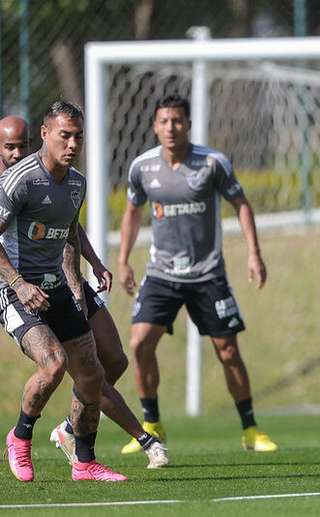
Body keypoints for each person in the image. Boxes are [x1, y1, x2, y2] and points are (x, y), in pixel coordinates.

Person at [0, 115, 169, 469]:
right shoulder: (16, 182)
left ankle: (82, 455)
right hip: (16, 285)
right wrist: (18, 283)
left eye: (79, 136)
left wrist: (86, 274)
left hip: (58, 279)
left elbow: (68, 230)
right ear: (47, 135)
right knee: (56, 364)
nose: (73, 144)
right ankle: (23, 435)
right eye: (8, 146)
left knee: (103, 365)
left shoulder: (75, 183)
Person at [118, 94, 276, 453]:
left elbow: (242, 205)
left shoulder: (212, 163)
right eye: (164, 121)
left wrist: (254, 254)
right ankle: (151, 424)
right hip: (161, 273)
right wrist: (124, 259)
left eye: (177, 121)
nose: (170, 128)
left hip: (207, 274)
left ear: (188, 124)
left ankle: (250, 429)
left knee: (228, 351)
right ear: (154, 126)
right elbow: (131, 212)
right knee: (140, 343)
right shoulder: (142, 167)